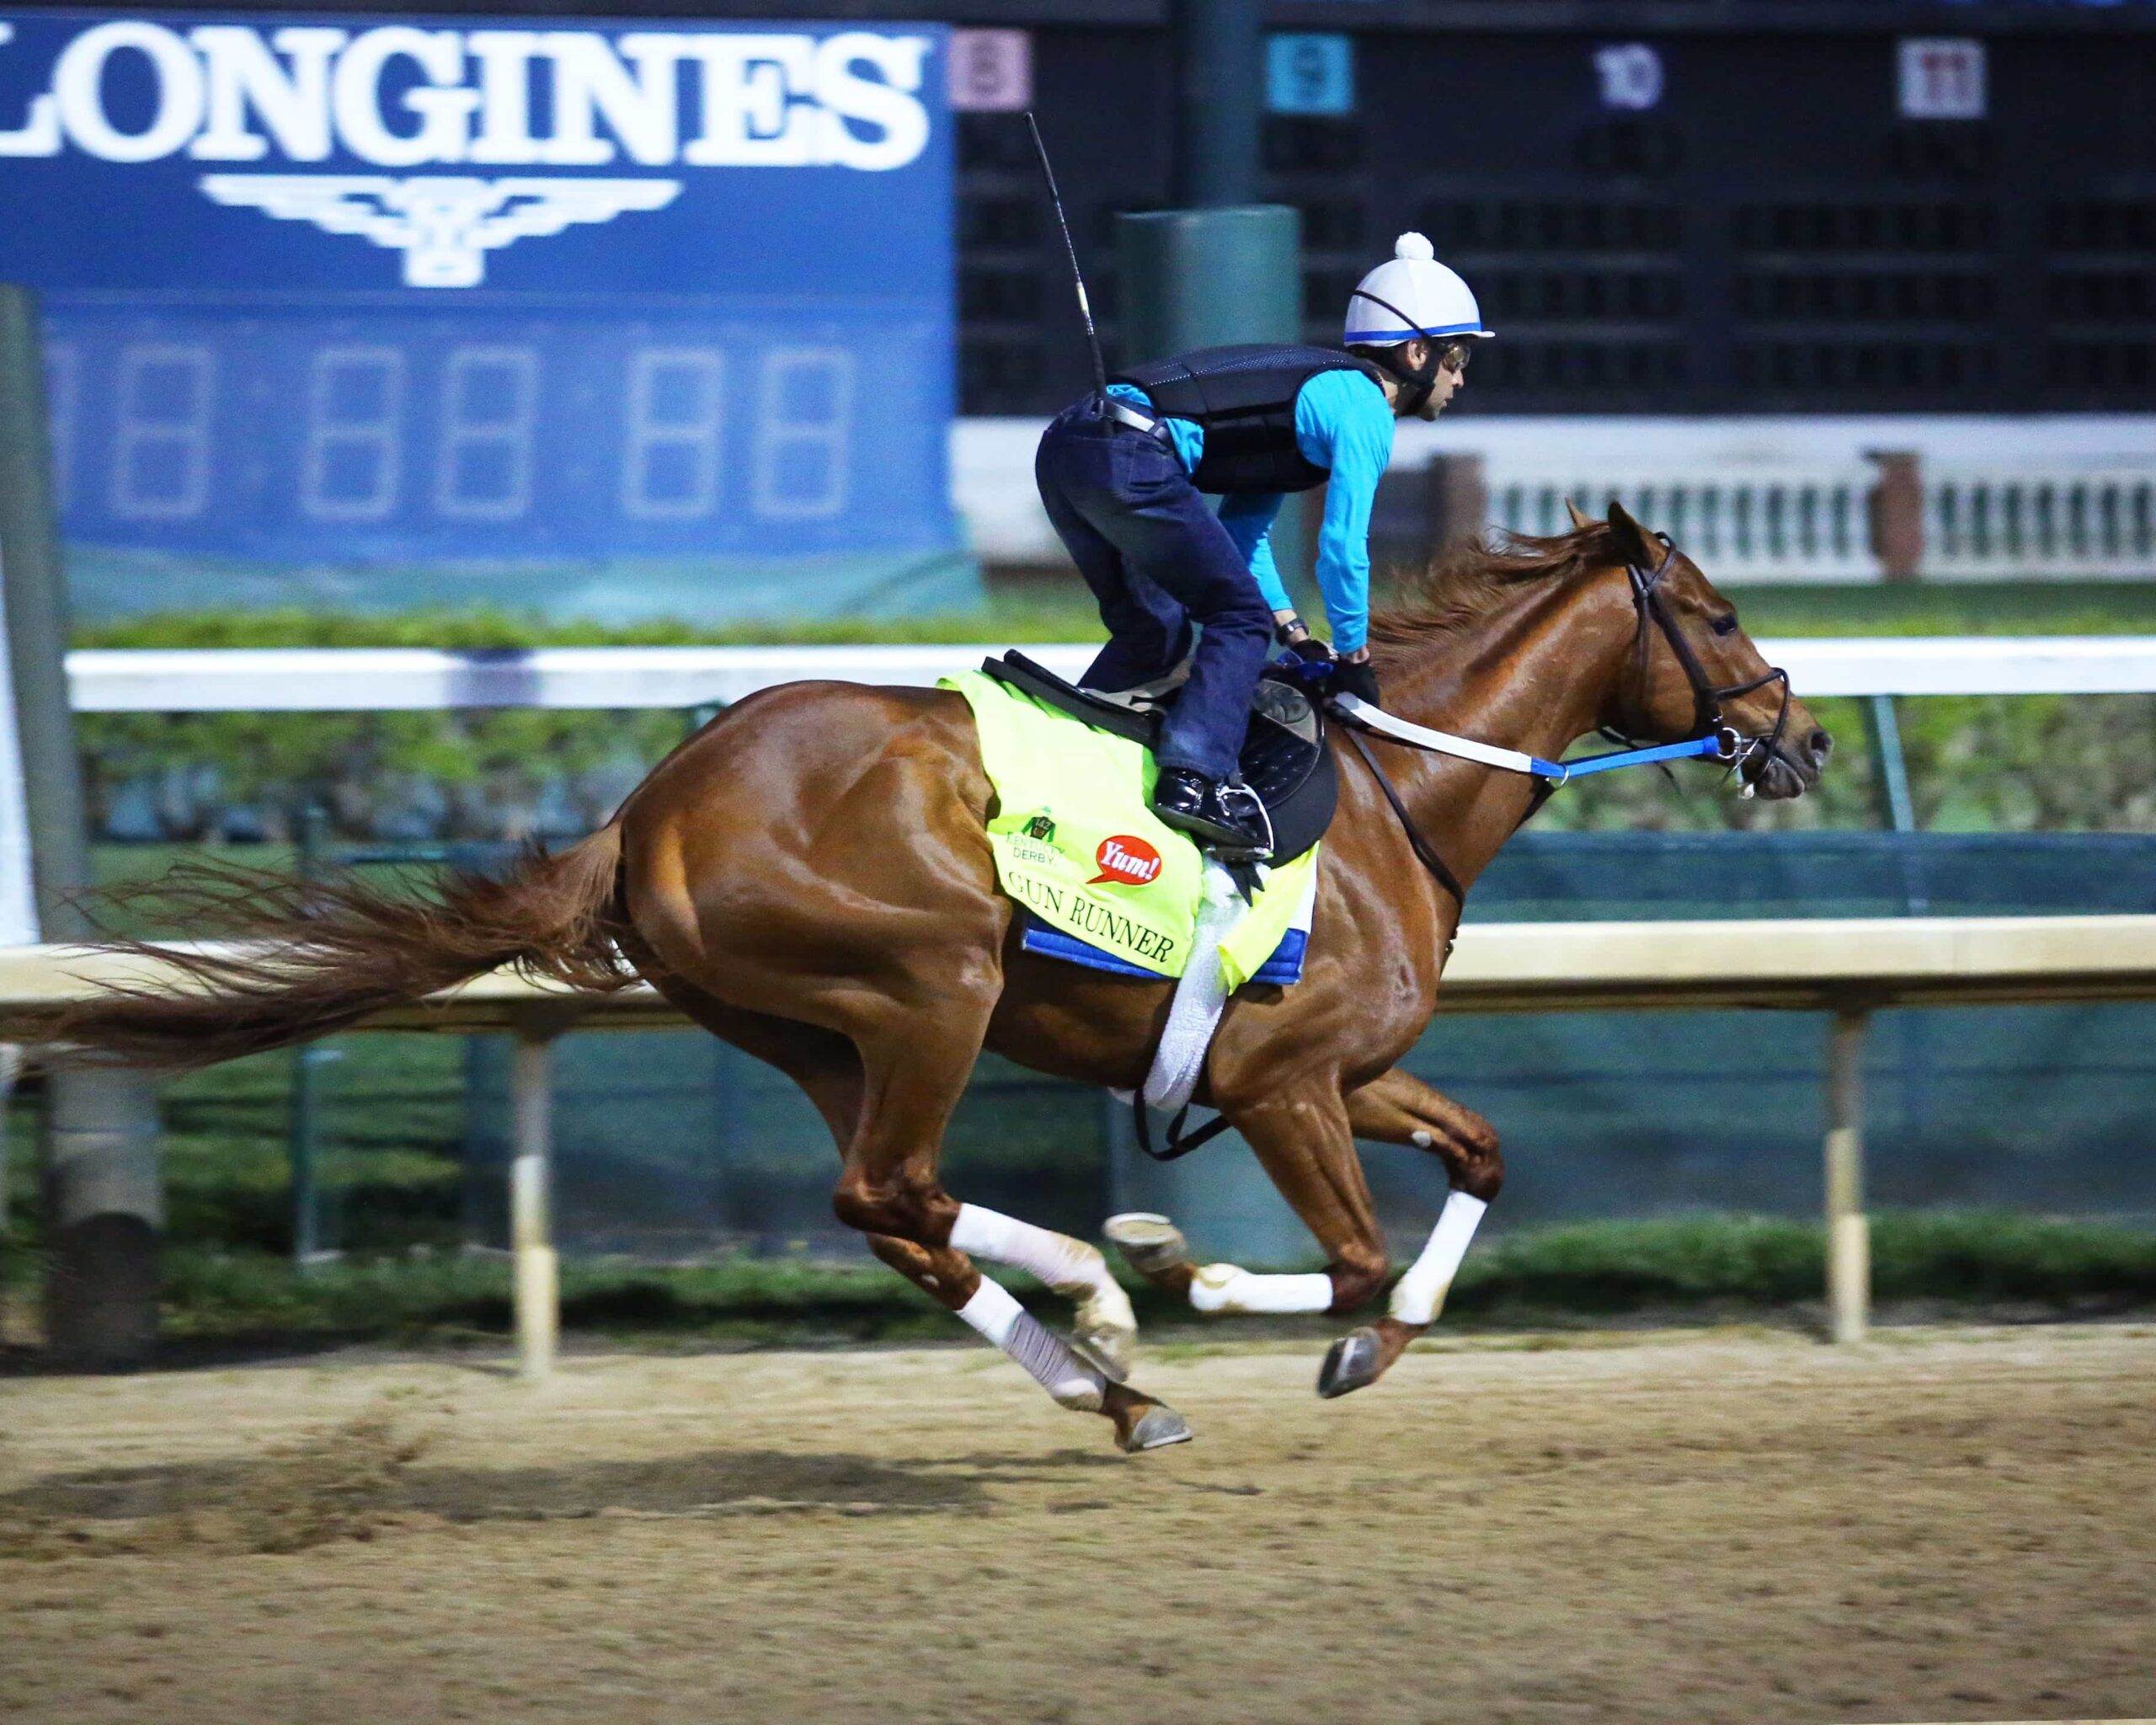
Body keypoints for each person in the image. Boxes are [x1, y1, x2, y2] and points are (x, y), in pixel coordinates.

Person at [1033, 232, 1492, 856]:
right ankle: (1195, 780)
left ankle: (1055, 753)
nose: (1460, 379)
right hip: (1127, 456)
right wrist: (1355, 660)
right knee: (1234, 620)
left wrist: (1295, 630)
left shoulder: (1307, 405)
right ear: (1416, 353)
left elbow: (1243, 536)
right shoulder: (1364, 411)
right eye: (1458, 358)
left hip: (1070, 445)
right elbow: (1341, 551)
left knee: (1155, 629)